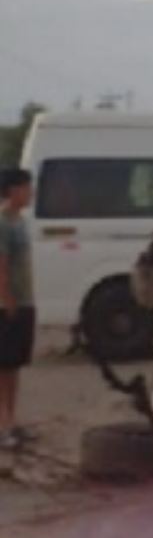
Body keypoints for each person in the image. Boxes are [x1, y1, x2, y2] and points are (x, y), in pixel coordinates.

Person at [0, 168, 35, 449]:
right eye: (26, 187)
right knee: (3, 366)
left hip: (24, 301)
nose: (30, 193)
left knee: (14, 366)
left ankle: (12, 420)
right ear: (13, 190)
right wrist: (7, 299)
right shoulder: (2, 222)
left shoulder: (20, 221)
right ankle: (4, 426)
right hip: (6, 305)